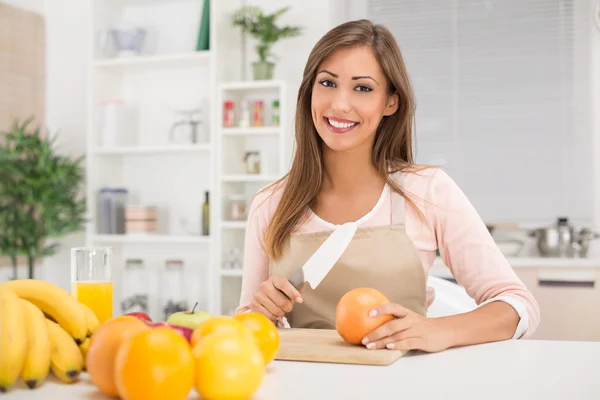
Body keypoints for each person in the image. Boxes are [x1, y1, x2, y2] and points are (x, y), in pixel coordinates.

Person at [235, 19, 540, 353]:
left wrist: (439, 331)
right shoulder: (270, 204)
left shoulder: (428, 191)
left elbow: (518, 305)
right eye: (327, 83)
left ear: (390, 102)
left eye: (363, 88)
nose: (339, 104)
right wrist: (260, 315)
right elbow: (247, 329)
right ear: (309, 91)